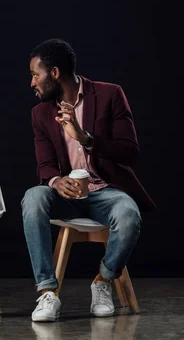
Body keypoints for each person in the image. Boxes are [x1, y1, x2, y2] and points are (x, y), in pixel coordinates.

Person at [22, 38, 155, 322]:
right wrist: (56, 181)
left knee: (128, 215)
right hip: (65, 197)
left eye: (36, 74)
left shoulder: (109, 95)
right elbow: (45, 165)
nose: (32, 82)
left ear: (54, 73)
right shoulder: (40, 113)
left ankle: (103, 280)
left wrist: (85, 138)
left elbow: (130, 153)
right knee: (33, 197)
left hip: (105, 192)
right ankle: (47, 292)